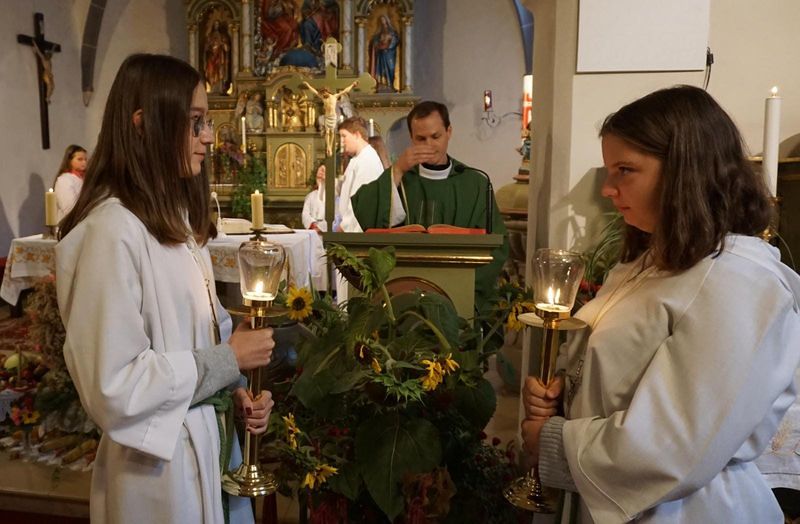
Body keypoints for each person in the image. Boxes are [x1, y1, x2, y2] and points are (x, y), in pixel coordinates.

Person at [521, 85, 800, 524]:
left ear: (685, 170)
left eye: (625, 170)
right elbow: (622, 370)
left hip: (686, 510)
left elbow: (674, 442)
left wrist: (553, 441)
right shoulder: (651, 263)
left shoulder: (737, 283)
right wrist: (559, 395)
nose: (608, 189)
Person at [56, 54, 275, 524]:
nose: (208, 137)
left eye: (206, 122)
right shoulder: (111, 231)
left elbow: (206, 336)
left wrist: (237, 392)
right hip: (159, 473)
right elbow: (114, 384)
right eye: (195, 122)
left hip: (209, 446)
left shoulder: (172, 221)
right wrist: (227, 360)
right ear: (144, 124)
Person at [351, 101, 509, 314]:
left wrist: (466, 284)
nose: (429, 145)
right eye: (421, 139)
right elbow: (368, 217)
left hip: (462, 294)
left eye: (436, 137)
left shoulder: (475, 183)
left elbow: (498, 244)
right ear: (411, 138)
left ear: (449, 132)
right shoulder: (401, 180)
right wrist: (397, 170)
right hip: (404, 294)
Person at [336, 117, 384, 233]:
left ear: (357, 135)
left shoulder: (367, 160)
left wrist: (343, 227)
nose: (341, 142)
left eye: (344, 136)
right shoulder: (358, 159)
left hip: (357, 229)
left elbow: (360, 201)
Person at [302, 79, 358, 156]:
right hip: (327, 116)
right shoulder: (323, 98)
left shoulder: (334, 97)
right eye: (322, 93)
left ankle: (330, 146)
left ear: (327, 91)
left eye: (324, 93)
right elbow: (314, 91)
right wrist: (308, 85)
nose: (323, 94)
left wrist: (352, 85)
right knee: (327, 132)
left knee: (332, 132)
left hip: (333, 116)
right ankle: (328, 147)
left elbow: (345, 91)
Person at [53, 144, 88, 221]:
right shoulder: (64, 180)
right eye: (80, 159)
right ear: (69, 161)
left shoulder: (86, 178)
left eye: (85, 159)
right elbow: (69, 208)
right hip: (70, 223)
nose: (84, 162)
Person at [369, 15, 399, 93]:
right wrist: (378, 45)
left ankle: (390, 85)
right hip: (381, 54)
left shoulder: (392, 32)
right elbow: (375, 42)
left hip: (389, 54)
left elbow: (395, 41)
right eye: (381, 21)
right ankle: (381, 85)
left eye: (384, 20)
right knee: (381, 69)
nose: (383, 22)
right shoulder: (379, 33)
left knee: (390, 68)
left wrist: (387, 46)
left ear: (387, 21)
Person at [302, 163, 335, 232]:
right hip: (312, 231)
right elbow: (305, 215)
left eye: (323, 171)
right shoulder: (310, 196)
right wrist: (313, 225)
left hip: (327, 233)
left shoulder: (334, 196)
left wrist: (320, 228)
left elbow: (335, 217)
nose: (320, 173)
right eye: (318, 177)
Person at [204, 19, 231, 94]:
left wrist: (223, 43)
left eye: (218, 24)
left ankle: (220, 88)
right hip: (211, 57)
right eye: (215, 24)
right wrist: (209, 46)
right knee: (211, 71)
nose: (216, 26)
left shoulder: (222, 36)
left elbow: (227, 48)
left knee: (220, 72)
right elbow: (205, 49)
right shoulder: (210, 36)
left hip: (220, 56)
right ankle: (211, 87)